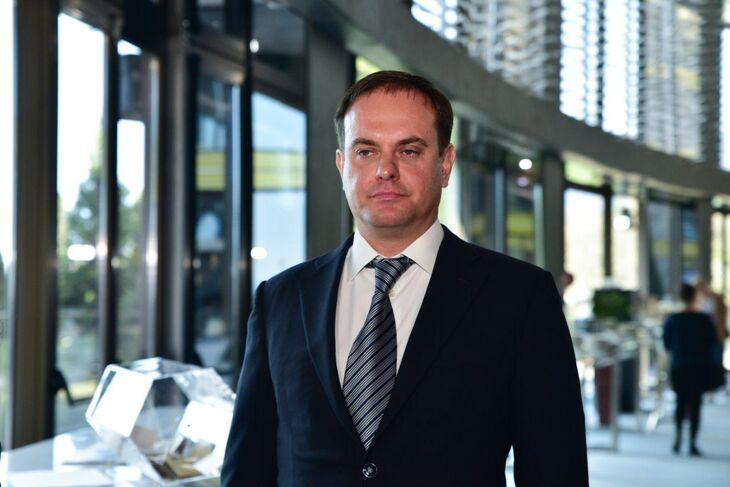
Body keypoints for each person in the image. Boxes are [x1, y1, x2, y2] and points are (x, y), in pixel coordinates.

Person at [221, 71, 588, 486]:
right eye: (365, 151)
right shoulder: (281, 299)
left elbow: (556, 472)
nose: (385, 170)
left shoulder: (519, 298)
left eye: (409, 151)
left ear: (445, 164)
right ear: (342, 165)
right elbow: (247, 469)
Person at [663, 283, 718, 456]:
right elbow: (713, 342)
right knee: (695, 404)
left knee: (680, 401)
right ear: (695, 297)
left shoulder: (673, 319)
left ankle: (678, 438)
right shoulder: (704, 319)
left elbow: (667, 344)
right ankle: (693, 443)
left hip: (679, 365)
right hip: (699, 366)